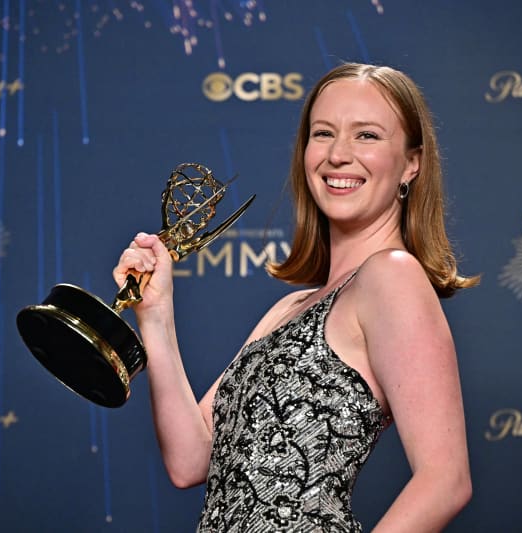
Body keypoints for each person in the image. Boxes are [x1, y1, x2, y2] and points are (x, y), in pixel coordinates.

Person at [114, 62, 478, 532]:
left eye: (366, 135)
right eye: (323, 133)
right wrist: (156, 313)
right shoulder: (289, 309)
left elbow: (446, 480)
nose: (338, 155)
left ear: (412, 163)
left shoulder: (392, 276)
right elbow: (190, 459)